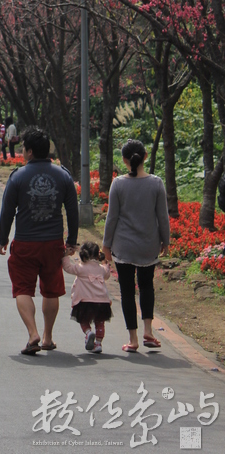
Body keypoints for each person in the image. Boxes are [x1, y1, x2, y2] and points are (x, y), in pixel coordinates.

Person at [0, 126, 79, 355]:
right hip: (53, 243)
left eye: (23, 148)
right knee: (51, 290)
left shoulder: (17, 177)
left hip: (25, 243)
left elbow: (7, 211)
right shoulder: (63, 176)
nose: (22, 151)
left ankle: (32, 333)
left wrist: (3, 238)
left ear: (30, 151)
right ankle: (47, 337)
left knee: (22, 289)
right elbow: (72, 211)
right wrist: (71, 241)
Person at [102, 138, 171, 353]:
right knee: (146, 286)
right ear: (145, 157)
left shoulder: (118, 184)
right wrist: (166, 241)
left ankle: (133, 339)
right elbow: (163, 216)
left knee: (127, 291)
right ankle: (148, 330)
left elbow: (112, 218)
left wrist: (106, 245)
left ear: (124, 160)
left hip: (123, 247)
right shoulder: (156, 183)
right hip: (148, 245)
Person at [62, 241, 112, 354]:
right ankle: (98, 343)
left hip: (85, 301)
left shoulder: (81, 268)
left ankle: (88, 332)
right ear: (98, 256)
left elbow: (68, 268)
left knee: (83, 319)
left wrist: (66, 256)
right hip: (102, 301)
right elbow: (107, 275)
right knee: (100, 322)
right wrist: (105, 263)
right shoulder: (101, 269)